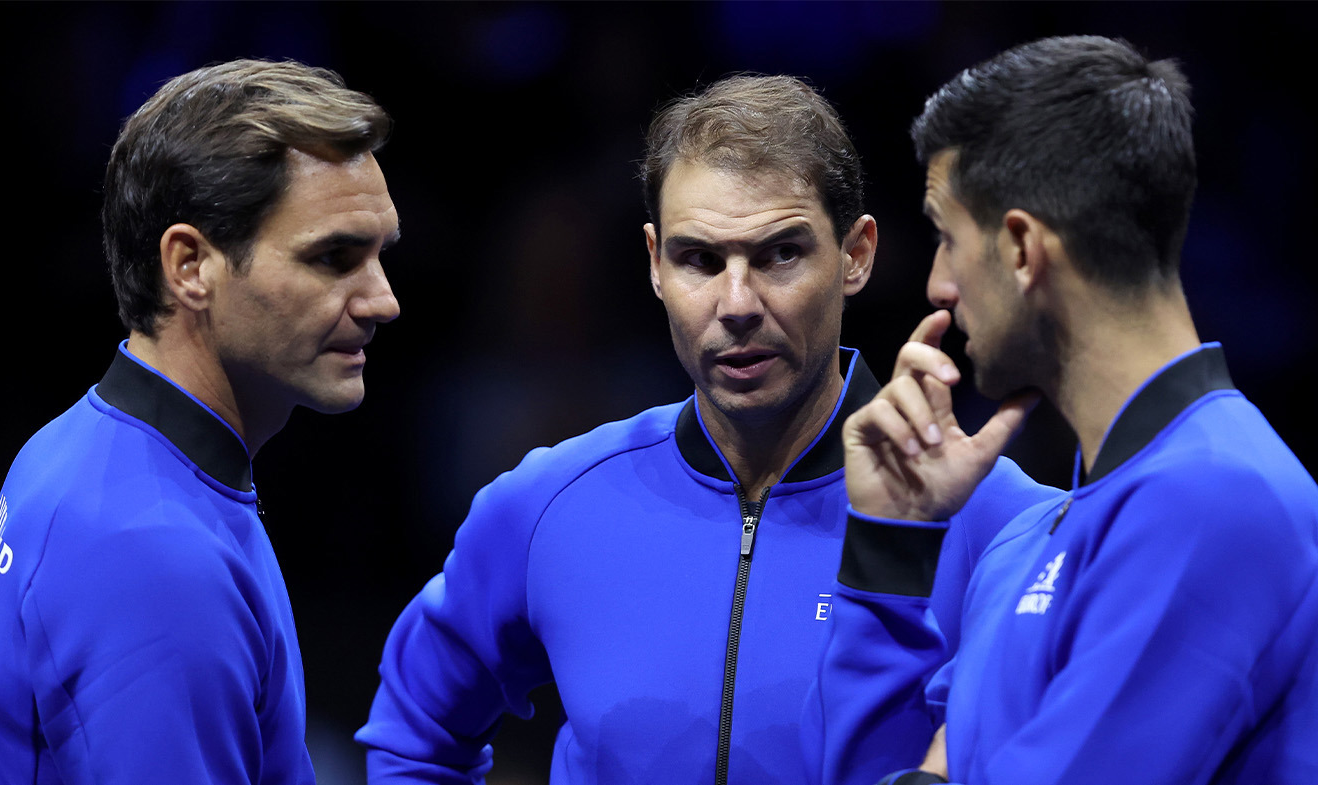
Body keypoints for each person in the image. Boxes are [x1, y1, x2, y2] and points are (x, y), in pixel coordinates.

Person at [357, 75, 1054, 785]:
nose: (738, 303)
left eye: (781, 253)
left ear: (856, 254)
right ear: (655, 263)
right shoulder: (548, 504)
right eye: (701, 259)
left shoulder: (1005, 524)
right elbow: (414, 731)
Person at [823, 36, 1318, 784]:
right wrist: (889, 544)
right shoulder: (1027, 540)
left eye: (947, 236)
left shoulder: (1219, 498)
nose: (937, 284)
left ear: (1022, 249)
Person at [0, 60, 400, 784]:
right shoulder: (156, 557)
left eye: (379, 255)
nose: (382, 301)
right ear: (190, 265)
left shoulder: (79, 446)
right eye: (334, 258)